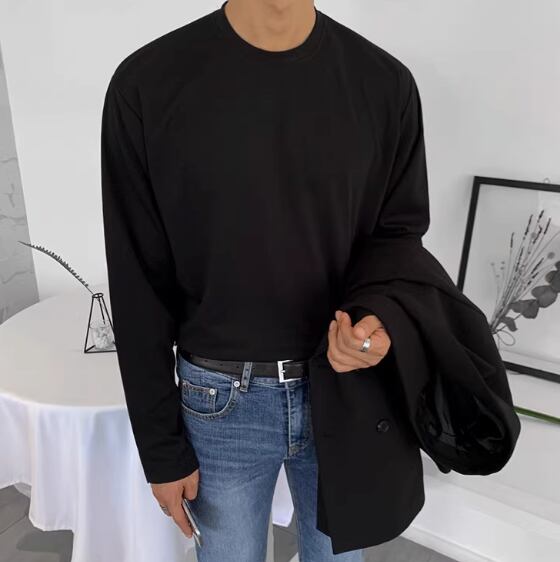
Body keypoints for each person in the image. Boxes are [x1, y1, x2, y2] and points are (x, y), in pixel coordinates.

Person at [101, 1, 421, 560]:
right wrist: (161, 449)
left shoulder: (384, 83)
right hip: (218, 399)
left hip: (345, 390)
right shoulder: (148, 84)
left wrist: (380, 322)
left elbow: (398, 239)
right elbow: (136, 279)